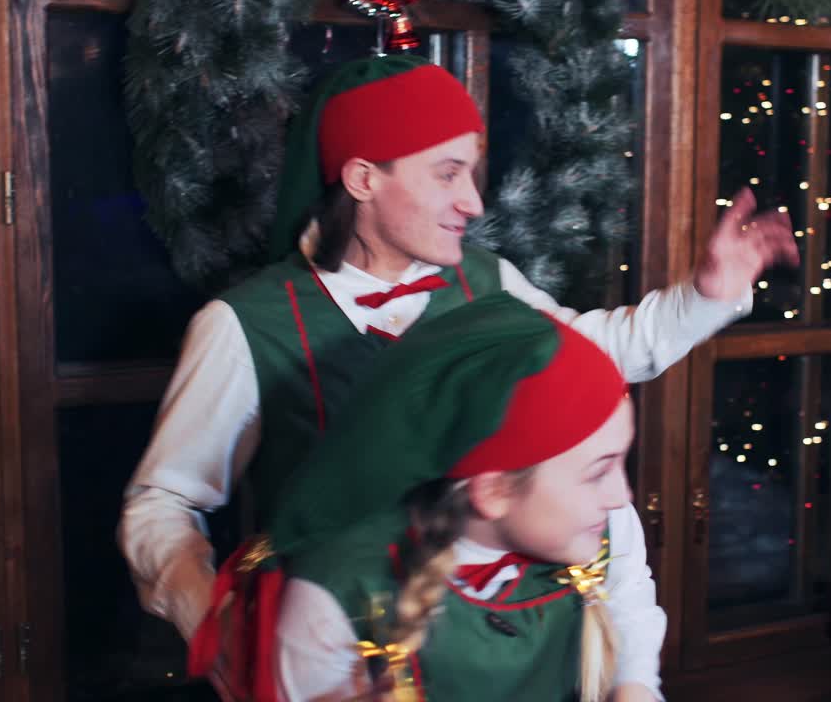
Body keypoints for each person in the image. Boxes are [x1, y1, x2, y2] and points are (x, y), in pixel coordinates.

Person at [119, 54, 798, 649]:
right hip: (348, 652)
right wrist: (218, 622)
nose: (472, 202)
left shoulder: (488, 282)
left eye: (471, 173)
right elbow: (162, 503)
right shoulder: (244, 325)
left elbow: (601, 358)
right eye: (447, 174)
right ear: (362, 179)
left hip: (499, 637)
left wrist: (710, 293)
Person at [191, 293, 666, 701]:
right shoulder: (337, 596)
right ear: (494, 489)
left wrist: (634, 685)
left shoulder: (600, 522)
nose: (622, 494)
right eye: (598, 471)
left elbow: (630, 607)